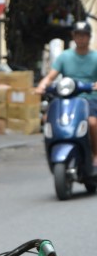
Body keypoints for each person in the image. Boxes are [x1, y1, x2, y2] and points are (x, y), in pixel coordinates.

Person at [36, 20, 97, 167]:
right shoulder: (65, 57)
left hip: (89, 99)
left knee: (92, 123)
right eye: (77, 35)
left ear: (89, 37)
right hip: (67, 98)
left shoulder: (95, 57)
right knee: (47, 118)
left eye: (84, 35)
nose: (80, 38)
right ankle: (52, 149)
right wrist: (41, 86)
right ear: (73, 36)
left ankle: (95, 154)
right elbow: (50, 77)